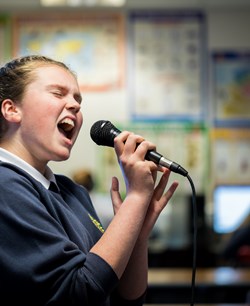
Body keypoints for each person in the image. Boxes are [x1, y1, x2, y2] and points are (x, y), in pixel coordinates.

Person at [0, 55, 179, 306]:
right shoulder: (5, 187)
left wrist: (137, 232)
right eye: (58, 93)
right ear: (11, 109)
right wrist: (136, 197)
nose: (74, 105)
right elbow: (78, 293)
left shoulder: (72, 192)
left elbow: (126, 299)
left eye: (77, 99)